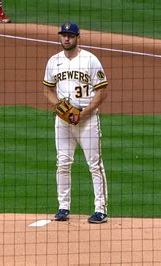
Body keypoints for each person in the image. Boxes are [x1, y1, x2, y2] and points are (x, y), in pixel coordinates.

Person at [43, 22, 110, 224]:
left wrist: (83, 112)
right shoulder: (53, 61)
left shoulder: (90, 60)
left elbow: (102, 91)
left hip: (87, 120)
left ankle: (100, 209)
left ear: (77, 37)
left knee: (95, 165)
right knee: (63, 162)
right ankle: (63, 207)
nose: (66, 39)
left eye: (70, 36)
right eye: (63, 35)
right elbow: (48, 90)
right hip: (63, 122)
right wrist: (60, 108)